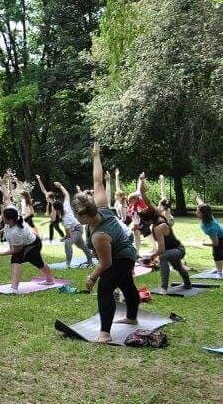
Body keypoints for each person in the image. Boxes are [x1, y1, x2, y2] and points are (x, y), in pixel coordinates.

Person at [79, 142, 140, 343]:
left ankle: (104, 333)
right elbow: (98, 181)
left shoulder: (99, 235)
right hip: (126, 251)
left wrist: (92, 277)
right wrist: (96, 156)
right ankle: (131, 318)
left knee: (105, 287)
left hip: (122, 256)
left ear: (84, 216)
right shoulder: (101, 207)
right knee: (126, 283)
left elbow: (106, 264)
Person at [139, 196, 192, 294]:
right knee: (178, 267)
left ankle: (164, 288)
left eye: (144, 221)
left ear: (149, 221)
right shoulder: (158, 215)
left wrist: (150, 257)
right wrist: (142, 190)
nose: (144, 223)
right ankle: (188, 284)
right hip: (173, 250)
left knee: (162, 256)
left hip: (178, 250)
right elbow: (149, 202)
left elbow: (162, 249)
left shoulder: (158, 227)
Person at [0, 207, 54, 290]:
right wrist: (2, 230)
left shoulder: (16, 232)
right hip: (33, 241)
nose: (2, 217)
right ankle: (50, 280)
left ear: (10, 220)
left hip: (32, 245)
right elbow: (12, 242)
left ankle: (14, 288)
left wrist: (0, 253)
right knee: (37, 261)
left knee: (16, 259)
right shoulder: (14, 220)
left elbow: (17, 250)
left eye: (4, 216)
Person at [50, 179, 95, 268]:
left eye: (54, 210)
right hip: (75, 229)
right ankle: (90, 260)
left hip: (77, 229)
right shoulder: (65, 205)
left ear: (57, 210)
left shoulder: (65, 218)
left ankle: (68, 264)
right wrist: (60, 186)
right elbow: (66, 194)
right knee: (82, 246)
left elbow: (69, 235)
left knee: (68, 242)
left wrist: (65, 238)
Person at [196, 198, 222, 278]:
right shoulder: (208, 217)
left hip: (221, 237)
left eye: (198, 212)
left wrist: (203, 243)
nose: (196, 213)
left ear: (203, 214)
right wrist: (197, 198)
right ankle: (220, 269)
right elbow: (202, 204)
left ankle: (220, 273)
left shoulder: (211, 227)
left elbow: (215, 243)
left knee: (217, 254)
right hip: (220, 236)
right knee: (219, 253)